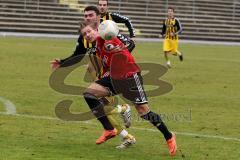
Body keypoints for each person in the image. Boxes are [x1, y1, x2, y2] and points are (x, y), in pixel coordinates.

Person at [80, 21, 177, 156]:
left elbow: (118, 41)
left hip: (130, 77)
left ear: (97, 30)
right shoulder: (98, 46)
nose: (87, 35)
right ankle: (109, 129)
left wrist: (115, 46)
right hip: (113, 78)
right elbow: (106, 63)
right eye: (84, 34)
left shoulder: (107, 38)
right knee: (89, 94)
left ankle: (169, 136)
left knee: (144, 112)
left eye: (89, 31)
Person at [50, 6, 136, 148]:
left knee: (103, 107)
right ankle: (127, 136)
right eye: (85, 16)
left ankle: (124, 110)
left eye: (90, 15)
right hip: (98, 75)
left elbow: (129, 45)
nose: (88, 18)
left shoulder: (107, 29)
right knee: (102, 109)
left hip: (113, 74)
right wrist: (61, 62)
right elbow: (77, 56)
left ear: (98, 16)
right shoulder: (85, 36)